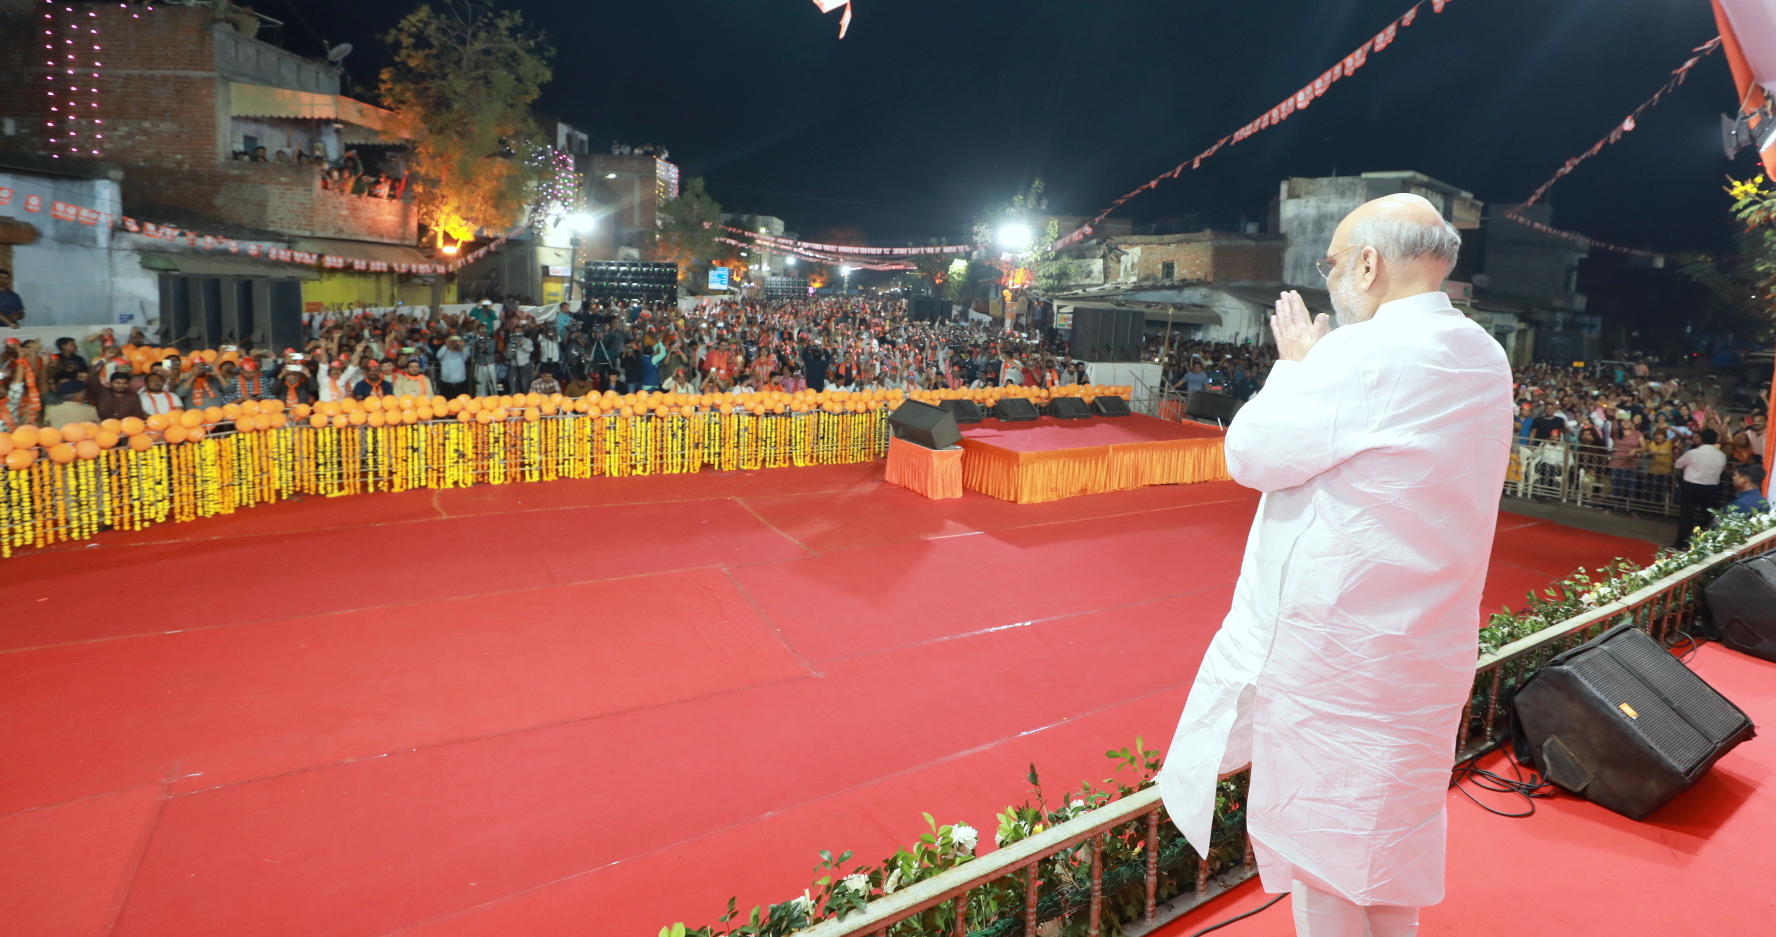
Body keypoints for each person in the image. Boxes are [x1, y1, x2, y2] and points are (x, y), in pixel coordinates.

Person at [1159, 194, 1512, 937]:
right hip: (1424, 650)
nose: (1329, 280)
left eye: (1331, 263)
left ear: (1369, 264)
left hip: (1339, 662)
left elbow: (1251, 454)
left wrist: (1295, 368)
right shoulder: (1485, 354)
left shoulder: (1363, 352)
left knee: (1326, 860)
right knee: (1390, 850)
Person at [1673, 429, 1727, 547]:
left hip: (1691, 486)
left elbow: (1678, 464)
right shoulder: (1721, 455)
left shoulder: (1694, 453)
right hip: (1711, 487)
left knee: (1687, 516)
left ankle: (1681, 544)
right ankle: (1712, 542)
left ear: (1701, 439)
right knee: (1711, 515)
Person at [436, 334, 471, 400]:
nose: (453, 342)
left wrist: (461, 343)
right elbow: (438, 355)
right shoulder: (443, 353)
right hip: (446, 386)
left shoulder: (461, 353)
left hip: (461, 385)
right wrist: (447, 343)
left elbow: (467, 353)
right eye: (452, 340)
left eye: (455, 341)